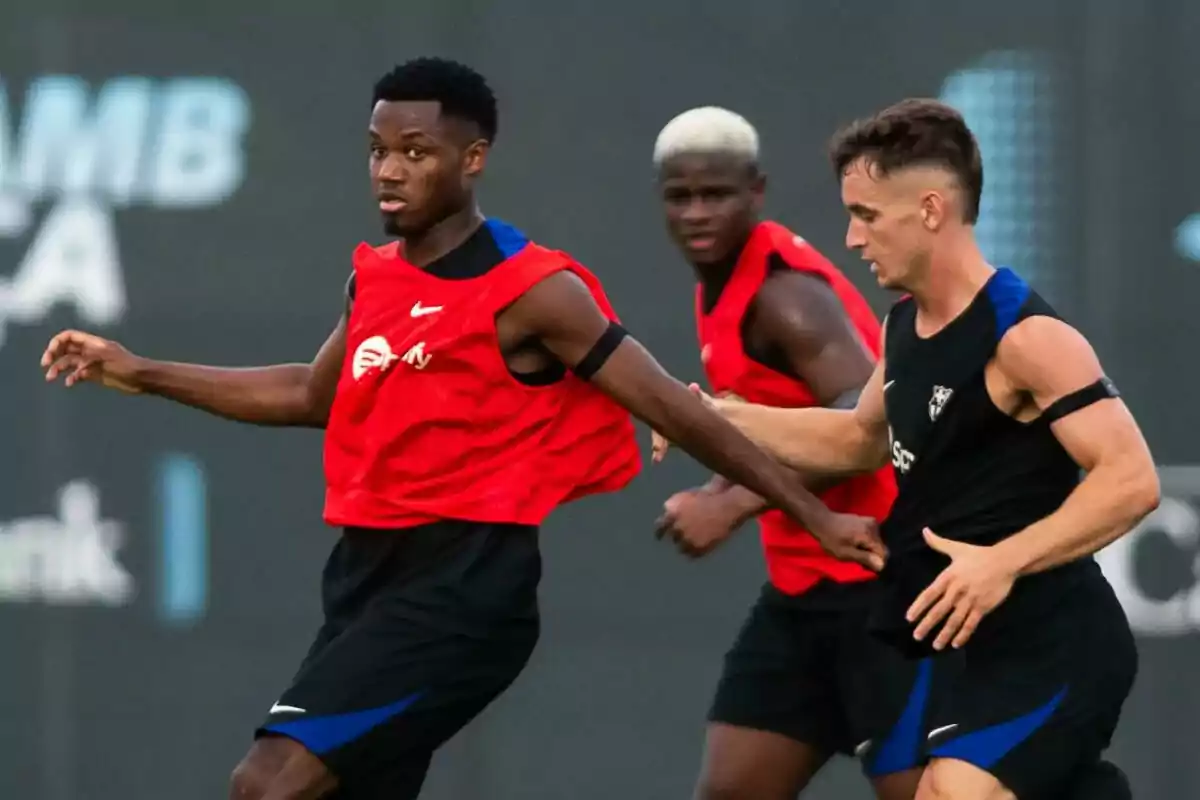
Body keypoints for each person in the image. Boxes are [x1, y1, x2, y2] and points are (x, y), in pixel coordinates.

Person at [40, 58, 886, 800]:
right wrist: (141, 370)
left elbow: (672, 405)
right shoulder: (375, 275)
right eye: (379, 150)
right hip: (365, 586)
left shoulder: (534, 289)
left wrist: (809, 512)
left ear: (472, 160)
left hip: (465, 594)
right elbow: (309, 393)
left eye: (417, 152)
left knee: (267, 785)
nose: (391, 171)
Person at [698, 98, 1155, 800]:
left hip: (1057, 645)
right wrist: (709, 414)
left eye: (868, 215)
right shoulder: (904, 326)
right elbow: (855, 440)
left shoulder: (1024, 335)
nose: (852, 238)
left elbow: (1130, 480)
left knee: (954, 793)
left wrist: (1002, 562)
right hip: (969, 648)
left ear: (932, 210)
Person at [649, 106, 936, 800]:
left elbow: (864, 430)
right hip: (805, 589)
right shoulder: (719, 281)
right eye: (679, 196)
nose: (696, 213)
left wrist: (730, 506)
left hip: (883, 581)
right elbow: (780, 422)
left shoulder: (786, 299)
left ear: (756, 191)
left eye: (715, 194)